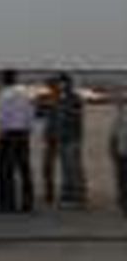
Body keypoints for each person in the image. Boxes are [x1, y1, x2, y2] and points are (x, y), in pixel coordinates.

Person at [0, 69, 34, 213]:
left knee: (6, 171)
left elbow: (1, 117)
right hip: (23, 134)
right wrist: (27, 130)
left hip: (8, 135)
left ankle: (8, 203)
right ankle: (27, 202)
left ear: (5, 79)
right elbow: (31, 114)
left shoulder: (4, 95)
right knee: (24, 169)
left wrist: (0, 131)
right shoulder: (26, 93)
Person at [53, 73, 86, 207]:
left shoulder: (74, 99)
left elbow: (75, 117)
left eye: (62, 83)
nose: (61, 85)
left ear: (68, 84)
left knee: (74, 168)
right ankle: (67, 195)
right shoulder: (60, 98)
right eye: (60, 83)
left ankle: (78, 196)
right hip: (62, 137)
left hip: (72, 138)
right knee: (65, 168)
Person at [37, 74, 61, 205]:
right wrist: (39, 104)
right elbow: (38, 115)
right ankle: (49, 192)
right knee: (47, 167)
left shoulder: (61, 99)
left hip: (61, 136)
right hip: (51, 137)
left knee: (50, 167)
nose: (50, 87)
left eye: (51, 85)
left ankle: (52, 193)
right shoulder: (47, 99)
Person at [108, 91, 127, 217]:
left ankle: (124, 203)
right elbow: (113, 136)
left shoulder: (121, 117)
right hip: (121, 152)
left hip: (122, 152)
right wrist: (112, 150)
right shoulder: (118, 117)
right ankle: (123, 202)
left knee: (123, 180)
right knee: (121, 179)